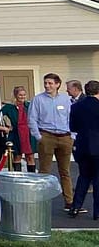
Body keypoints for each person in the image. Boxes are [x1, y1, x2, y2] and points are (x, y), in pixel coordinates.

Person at [31, 73, 76, 211]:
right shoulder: (38, 99)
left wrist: (73, 136)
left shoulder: (66, 100)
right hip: (47, 136)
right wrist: (39, 137)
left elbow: (72, 118)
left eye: (50, 83)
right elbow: (32, 119)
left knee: (65, 171)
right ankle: (41, 201)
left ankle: (69, 201)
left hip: (65, 137)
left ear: (57, 84)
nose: (47, 86)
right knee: (44, 170)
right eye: (46, 83)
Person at [69, 80, 99, 220]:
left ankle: (75, 207)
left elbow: (73, 127)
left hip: (82, 145)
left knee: (84, 176)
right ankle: (97, 212)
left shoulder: (76, 107)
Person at [1, 86, 36, 171]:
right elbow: (0, 117)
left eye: (24, 95)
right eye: (20, 95)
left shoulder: (29, 106)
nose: (22, 97)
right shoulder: (9, 107)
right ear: (16, 95)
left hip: (29, 134)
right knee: (17, 156)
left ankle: (31, 176)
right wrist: (7, 126)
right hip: (16, 133)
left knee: (30, 156)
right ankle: (18, 176)